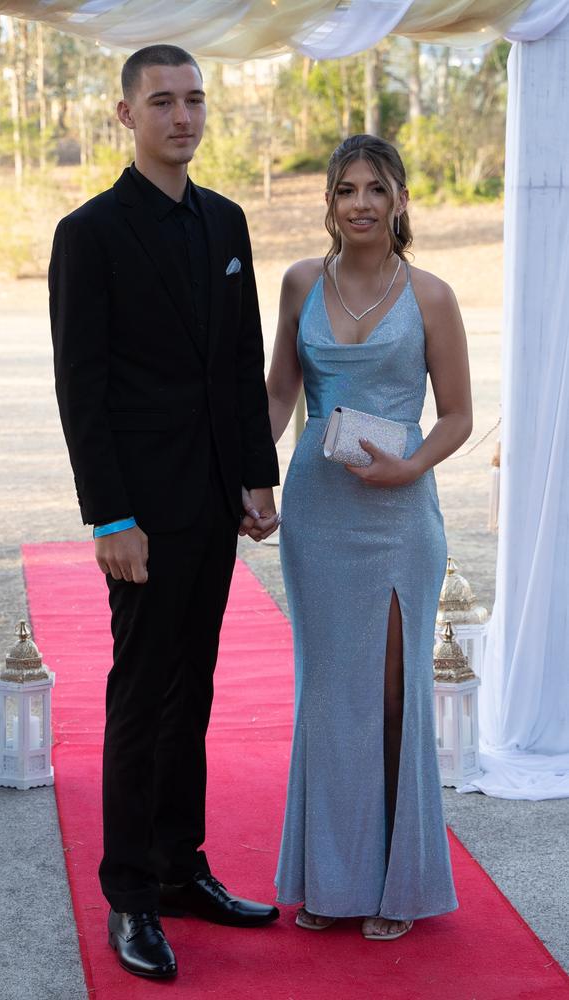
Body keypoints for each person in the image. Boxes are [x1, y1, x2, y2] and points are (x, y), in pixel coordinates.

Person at [49, 44, 281, 981]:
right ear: (125, 114)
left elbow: (238, 360)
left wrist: (255, 476)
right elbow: (83, 389)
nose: (181, 116)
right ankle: (131, 897)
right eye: (162, 102)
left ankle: (183, 871)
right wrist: (111, 520)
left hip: (213, 503)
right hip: (141, 513)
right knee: (142, 700)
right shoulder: (90, 232)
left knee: (196, 691)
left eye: (193, 100)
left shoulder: (225, 222)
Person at [265, 134, 472, 939]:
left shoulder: (432, 296)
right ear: (329, 202)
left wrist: (411, 465)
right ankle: (331, 880)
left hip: (398, 518)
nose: (360, 204)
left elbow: (455, 412)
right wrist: (252, 475)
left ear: (400, 201)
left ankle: (394, 885)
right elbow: (282, 389)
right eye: (346, 189)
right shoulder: (298, 284)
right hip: (317, 513)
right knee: (327, 696)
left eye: (375, 190)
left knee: (389, 695)